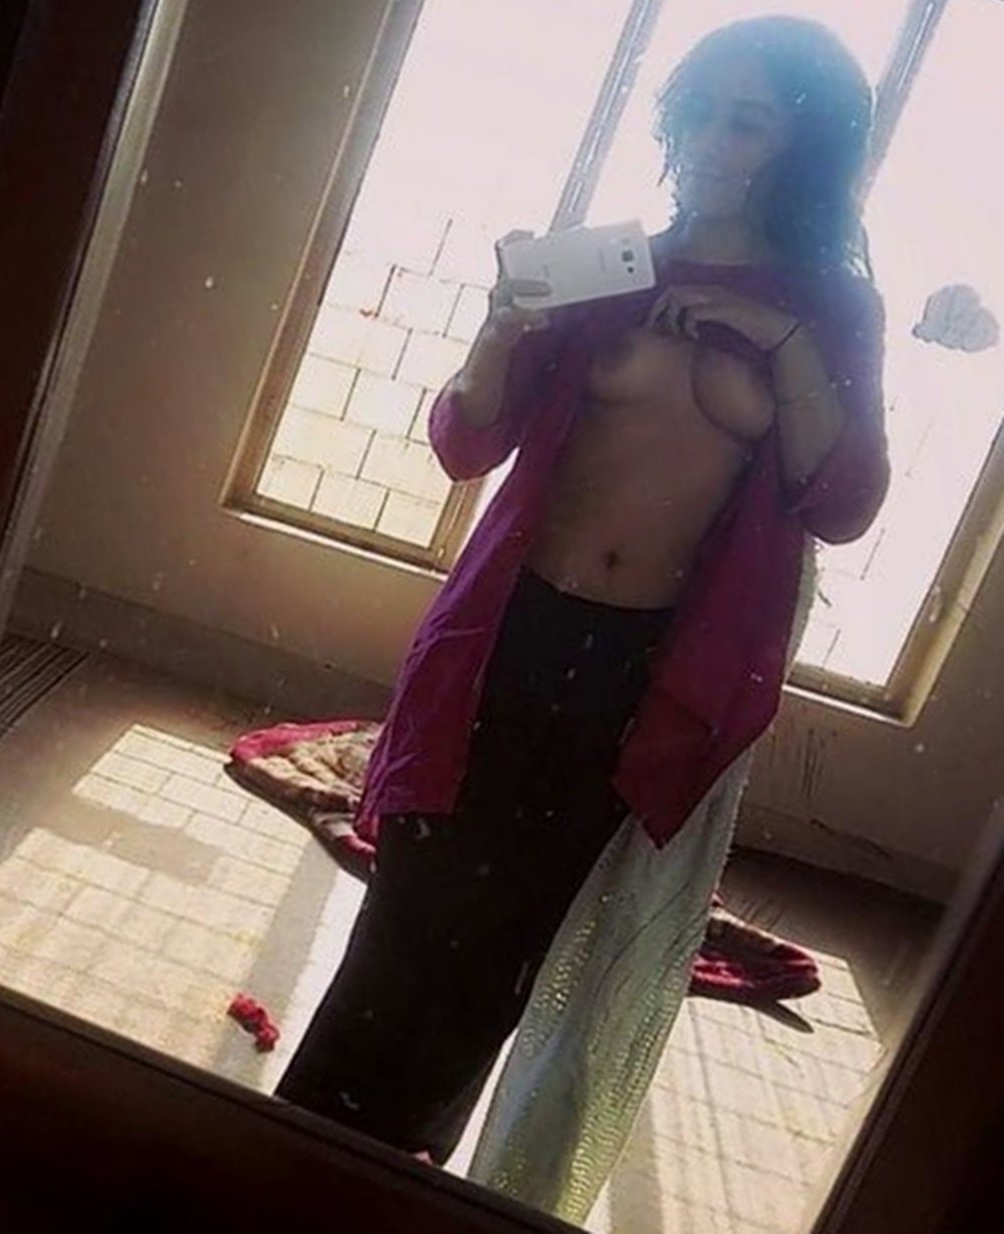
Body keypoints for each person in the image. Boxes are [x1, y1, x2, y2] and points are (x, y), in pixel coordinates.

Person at [276, 16, 889, 1173]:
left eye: (746, 120)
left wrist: (788, 349)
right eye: (697, 110)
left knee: (509, 938)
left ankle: (392, 1176)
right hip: (505, 631)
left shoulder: (828, 308)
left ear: (802, 145)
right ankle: (284, 1153)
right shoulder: (609, 263)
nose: (709, 139)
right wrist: (500, 329)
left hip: (644, 670)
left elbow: (843, 500)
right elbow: (468, 442)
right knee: (409, 907)